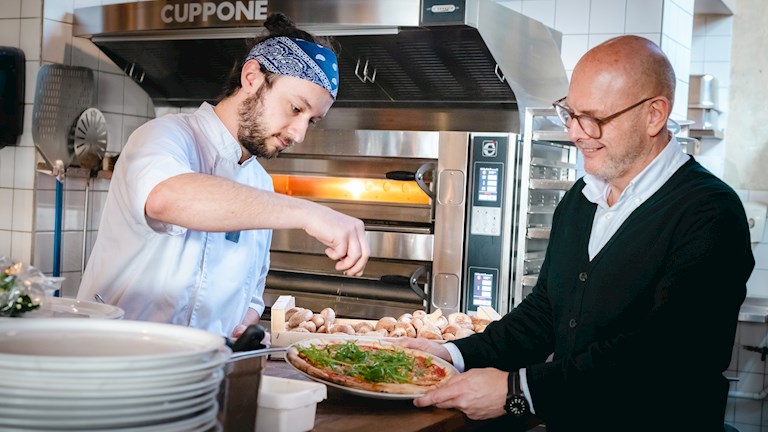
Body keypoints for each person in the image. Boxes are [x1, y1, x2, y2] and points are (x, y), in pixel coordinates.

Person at [397, 35, 754, 432]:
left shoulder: (709, 212)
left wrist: (517, 390)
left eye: (594, 118)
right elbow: (545, 313)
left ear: (654, 114)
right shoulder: (582, 200)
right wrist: (450, 354)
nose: (576, 133)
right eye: (570, 113)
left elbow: (666, 355)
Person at [78, 14, 370, 339]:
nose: (299, 133)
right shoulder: (165, 136)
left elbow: (251, 295)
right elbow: (166, 198)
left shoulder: (261, 184)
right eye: (295, 109)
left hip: (202, 376)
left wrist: (244, 321)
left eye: (312, 121)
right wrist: (309, 212)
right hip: (115, 362)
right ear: (252, 77)